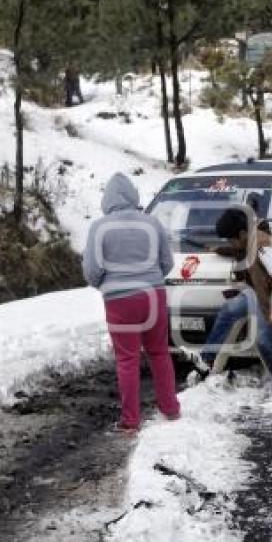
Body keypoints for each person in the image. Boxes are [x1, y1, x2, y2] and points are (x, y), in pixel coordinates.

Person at [82, 173, 181, 433]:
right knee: (159, 352)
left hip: (119, 300)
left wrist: (107, 283)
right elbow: (168, 262)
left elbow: (92, 270)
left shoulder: (100, 227)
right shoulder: (152, 223)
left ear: (107, 199)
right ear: (133, 195)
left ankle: (130, 421)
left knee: (127, 359)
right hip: (154, 295)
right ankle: (170, 409)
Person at [182, 208, 272, 398]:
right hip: (259, 294)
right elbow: (238, 248)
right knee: (230, 309)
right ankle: (206, 361)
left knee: (265, 341)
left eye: (231, 239)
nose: (231, 243)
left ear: (243, 233)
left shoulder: (262, 246)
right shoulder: (249, 239)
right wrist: (218, 249)